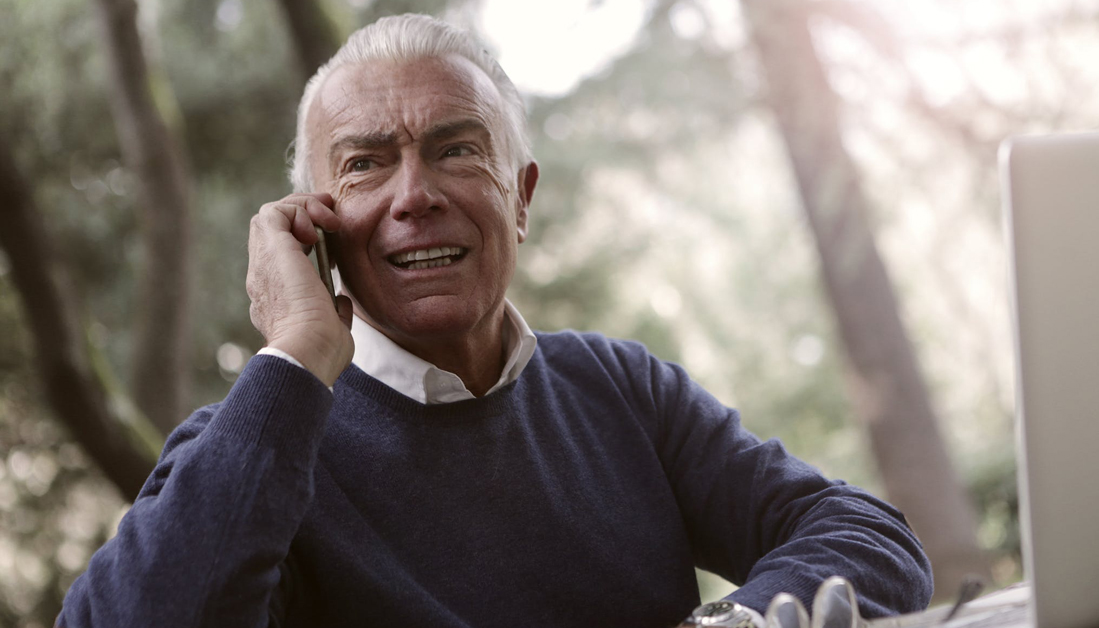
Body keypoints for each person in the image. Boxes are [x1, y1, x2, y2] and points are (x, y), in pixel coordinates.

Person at [59, 13, 933, 628]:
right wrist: (293, 356)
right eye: (365, 165)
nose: (415, 196)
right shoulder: (257, 444)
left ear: (520, 198)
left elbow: (868, 534)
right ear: (314, 224)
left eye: (457, 150)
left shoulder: (619, 386)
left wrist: (733, 625)